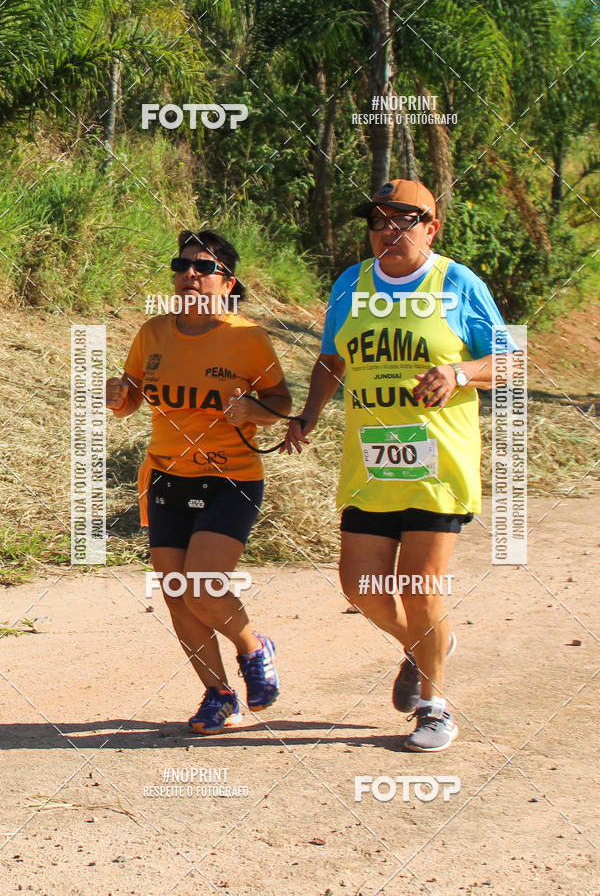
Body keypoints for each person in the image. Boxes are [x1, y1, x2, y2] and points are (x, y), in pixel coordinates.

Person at [284, 179, 513, 752]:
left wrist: (460, 373)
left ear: (431, 228)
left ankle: (435, 707)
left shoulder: (457, 283)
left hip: (438, 461)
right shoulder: (352, 283)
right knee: (360, 587)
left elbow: (512, 361)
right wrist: (308, 414)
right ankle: (424, 644)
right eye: (379, 220)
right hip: (370, 460)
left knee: (419, 586)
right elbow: (332, 357)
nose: (388, 229)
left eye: (403, 220)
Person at [106, 229, 292, 735]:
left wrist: (251, 409)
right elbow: (129, 402)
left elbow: (281, 405)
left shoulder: (246, 338)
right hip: (166, 475)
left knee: (203, 585)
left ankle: (254, 649)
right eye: (182, 264)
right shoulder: (153, 332)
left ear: (228, 283)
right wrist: (118, 394)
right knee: (175, 592)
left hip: (229, 478)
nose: (190, 273)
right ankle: (218, 695)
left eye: (203, 267)